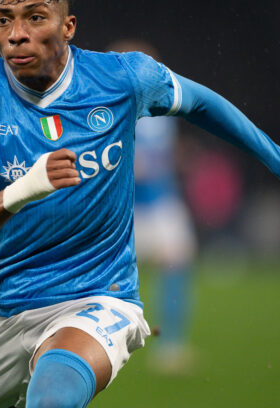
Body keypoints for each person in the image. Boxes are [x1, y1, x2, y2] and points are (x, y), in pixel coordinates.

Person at [0, 0, 280, 408]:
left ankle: (171, 345)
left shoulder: (123, 78)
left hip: (97, 296)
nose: (16, 34)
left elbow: (202, 104)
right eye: (3, 20)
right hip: (3, 307)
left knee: (53, 396)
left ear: (68, 27)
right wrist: (25, 187)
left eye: (35, 17)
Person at [109, 39, 199, 374]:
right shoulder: (109, 112)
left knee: (178, 264)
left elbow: (161, 158)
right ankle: (102, 344)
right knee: (109, 281)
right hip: (126, 209)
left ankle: (171, 346)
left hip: (162, 203)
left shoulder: (163, 110)